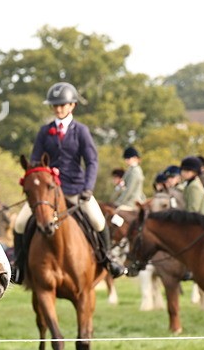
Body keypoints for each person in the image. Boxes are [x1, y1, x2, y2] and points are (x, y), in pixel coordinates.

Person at [10, 82, 125, 283]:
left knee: (98, 220)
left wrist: (88, 188)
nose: (58, 108)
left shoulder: (81, 131)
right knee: (20, 223)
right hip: (48, 192)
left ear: (72, 105)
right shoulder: (44, 131)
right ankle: (19, 266)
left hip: (75, 189)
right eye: (55, 105)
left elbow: (91, 161)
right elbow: (35, 161)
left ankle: (108, 259)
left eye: (62, 105)